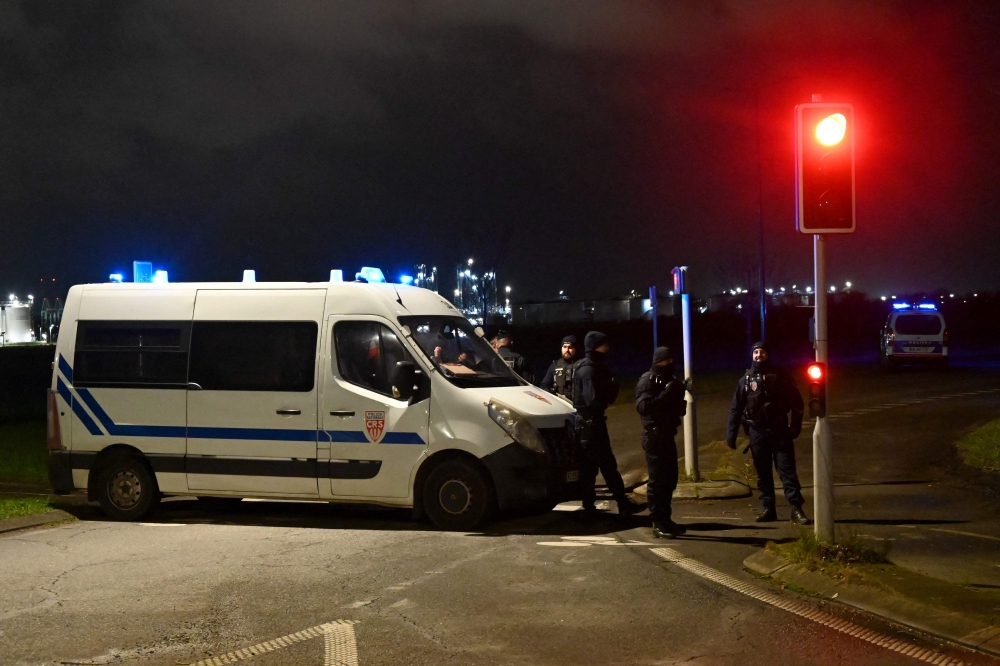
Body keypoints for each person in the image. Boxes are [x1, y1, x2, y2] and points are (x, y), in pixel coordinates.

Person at [726, 341, 810, 525]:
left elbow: (797, 403)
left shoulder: (780, 376)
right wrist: (731, 433)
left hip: (779, 430)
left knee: (787, 471)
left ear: (768, 354)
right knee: (763, 473)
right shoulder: (746, 380)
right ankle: (768, 509)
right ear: (752, 355)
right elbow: (736, 408)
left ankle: (796, 508)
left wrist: (795, 426)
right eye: (756, 352)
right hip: (756, 432)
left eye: (762, 352)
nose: (758, 355)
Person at [573, 331, 643, 519]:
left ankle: (618, 504)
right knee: (594, 467)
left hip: (591, 423)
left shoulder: (590, 366)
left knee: (604, 466)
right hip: (590, 425)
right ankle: (593, 507)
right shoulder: (589, 369)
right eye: (604, 345)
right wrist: (610, 390)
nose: (608, 348)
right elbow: (592, 400)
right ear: (597, 346)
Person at [635, 347, 688, 538]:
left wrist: (678, 395)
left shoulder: (669, 380)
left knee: (670, 479)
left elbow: (678, 410)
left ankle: (666, 519)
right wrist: (665, 395)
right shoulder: (648, 380)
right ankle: (657, 521)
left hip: (666, 435)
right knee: (658, 481)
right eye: (666, 361)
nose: (670, 364)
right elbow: (643, 407)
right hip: (654, 436)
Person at [540, 335, 579, 401]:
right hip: (558, 401)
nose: (567, 350)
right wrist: (554, 396)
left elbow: (586, 390)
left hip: (575, 403)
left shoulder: (581, 365)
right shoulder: (555, 364)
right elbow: (544, 385)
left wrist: (569, 396)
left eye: (570, 347)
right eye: (564, 347)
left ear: (575, 349)